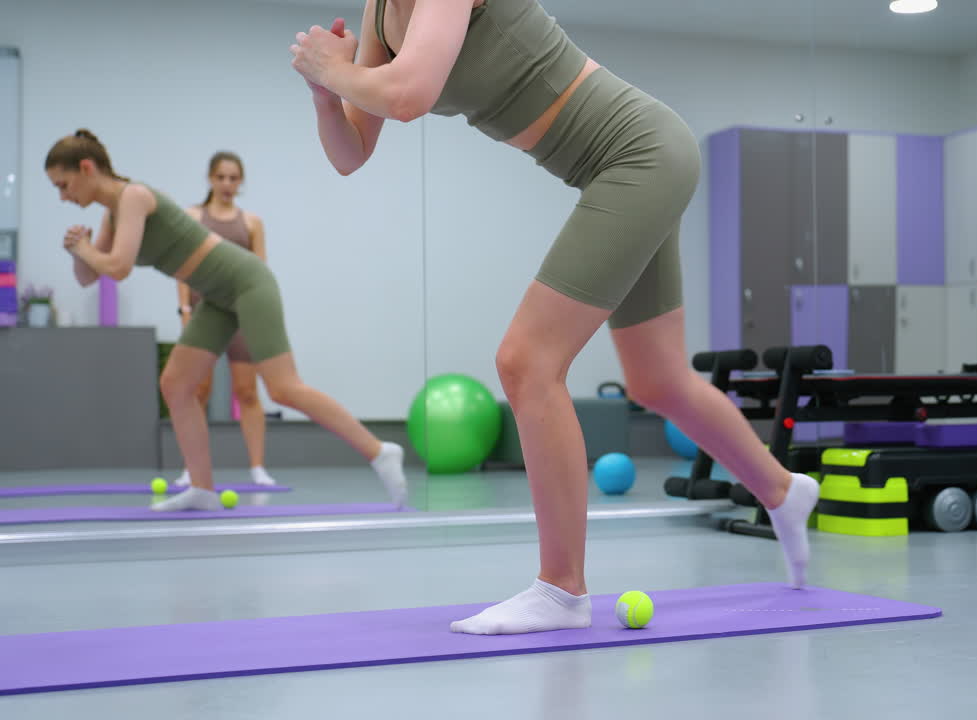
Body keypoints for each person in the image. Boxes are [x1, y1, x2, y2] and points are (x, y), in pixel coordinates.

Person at [289, 0, 819, 635]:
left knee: (527, 361)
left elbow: (407, 94)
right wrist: (326, 91)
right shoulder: (380, 14)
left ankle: (562, 590)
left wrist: (334, 67)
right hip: (619, 171)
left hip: (640, 154)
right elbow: (351, 152)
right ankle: (784, 490)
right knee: (657, 382)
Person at [46, 130, 407, 512]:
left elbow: (117, 268)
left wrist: (86, 249)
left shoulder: (133, 197)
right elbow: (88, 277)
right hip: (216, 296)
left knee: (283, 388)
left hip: (246, 282)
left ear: (87, 168)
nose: (63, 196)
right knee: (176, 385)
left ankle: (380, 450)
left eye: (63, 184)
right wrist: (77, 251)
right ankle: (202, 488)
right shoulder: (112, 214)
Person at [171, 151, 277, 489]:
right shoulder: (192, 217)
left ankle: (258, 469)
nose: (227, 184)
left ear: (240, 182)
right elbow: (183, 270)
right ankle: (192, 469)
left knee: (247, 392)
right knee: (196, 391)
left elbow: (260, 274)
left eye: (234, 178)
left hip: (241, 318)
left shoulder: (252, 223)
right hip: (203, 314)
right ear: (210, 179)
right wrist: (185, 311)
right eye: (221, 177)